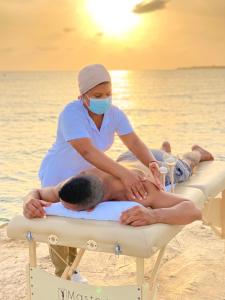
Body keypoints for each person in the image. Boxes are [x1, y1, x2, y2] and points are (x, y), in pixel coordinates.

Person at [37, 63, 162, 279]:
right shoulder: (71, 113)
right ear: (83, 96)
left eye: (108, 94)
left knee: (75, 224)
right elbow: (86, 150)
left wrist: (151, 162)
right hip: (58, 173)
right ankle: (64, 275)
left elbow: (133, 141)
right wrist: (124, 173)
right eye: (97, 95)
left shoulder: (115, 114)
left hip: (84, 176)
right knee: (59, 228)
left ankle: (71, 271)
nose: (104, 98)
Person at [24, 142, 214, 225]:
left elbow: (193, 210)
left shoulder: (140, 191)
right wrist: (29, 201)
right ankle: (163, 150)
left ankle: (197, 152)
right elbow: (37, 192)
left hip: (157, 165)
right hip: (129, 157)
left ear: (92, 208)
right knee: (157, 155)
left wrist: (153, 215)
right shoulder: (75, 183)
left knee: (185, 166)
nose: (60, 204)